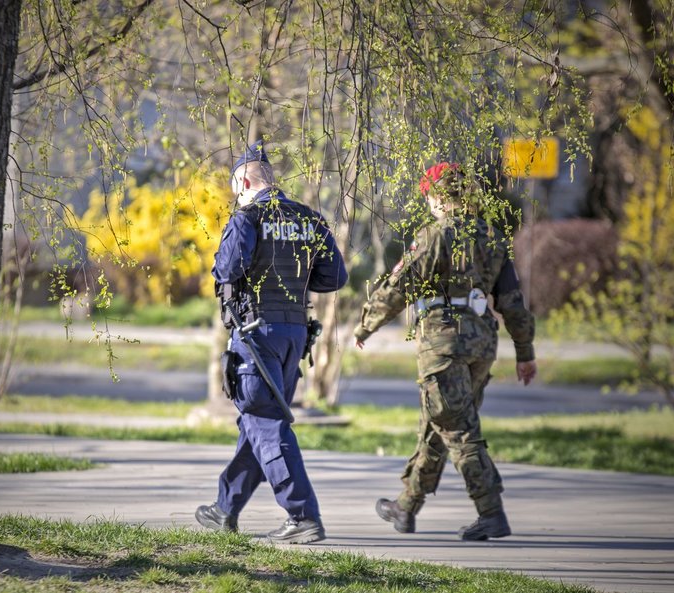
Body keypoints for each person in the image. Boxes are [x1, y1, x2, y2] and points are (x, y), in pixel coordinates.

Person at [353, 161, 538, 541]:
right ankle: (406, 507)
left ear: (438, 196)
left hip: (443, 344)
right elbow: (513, 302)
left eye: (430, 197)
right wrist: (524, 351)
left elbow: (399, 285)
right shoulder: (492, 236)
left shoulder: (434, 235)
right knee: (440, 425)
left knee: (457, 428)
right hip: (481, 344)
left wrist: (365, 325)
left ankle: (491, 511)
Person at [195, 140, 348, 544]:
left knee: (265, 422)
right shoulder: (308, 219)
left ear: (245, 180)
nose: (237, 196)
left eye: (235, 189)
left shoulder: (248, 217)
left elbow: (228, 267)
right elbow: (335, 278)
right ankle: (225, 508)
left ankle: (303, 515)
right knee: (257, 421)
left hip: (256, 334)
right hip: (294, 334)